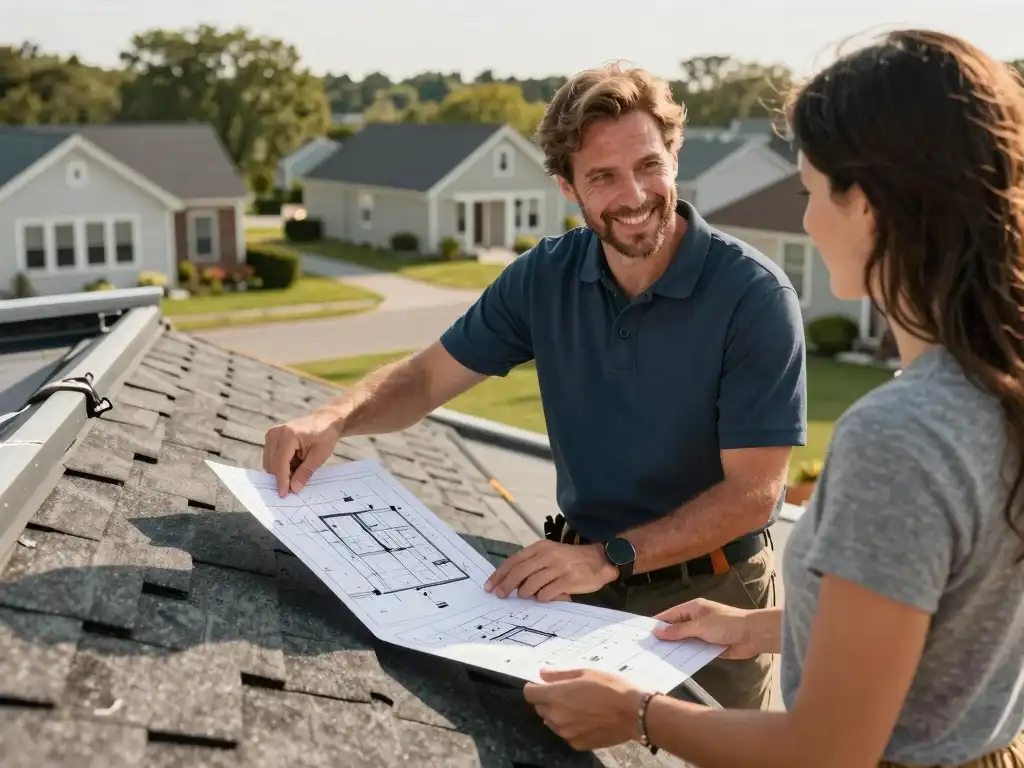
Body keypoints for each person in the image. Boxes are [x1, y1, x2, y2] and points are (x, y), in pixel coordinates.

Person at [522, 28, 1024, 768]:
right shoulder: (991, 387)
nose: (807, 219)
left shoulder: (904, 434)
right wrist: (757, 629)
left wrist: (635, 713)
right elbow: (939, 625)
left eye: (809, 192)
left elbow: (828, 749)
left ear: (870, 206)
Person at [261, 63, 807, 711]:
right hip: (579, 586)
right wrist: (335, 417)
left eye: (649, 165)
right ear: (567, 186)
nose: (635, 194)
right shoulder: (545, 277)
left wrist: (609, 556)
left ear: (675, 157)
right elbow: (426, 377)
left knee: (704, 754)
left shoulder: (753, 296)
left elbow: (753, 495)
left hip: (713, 600)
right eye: (603, 177)